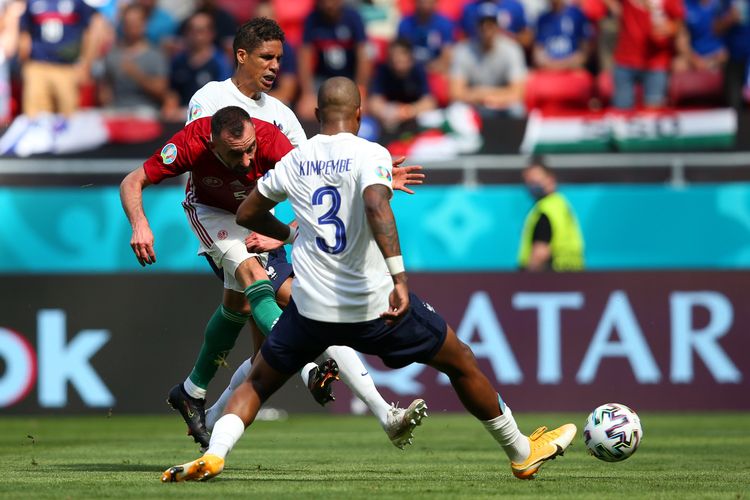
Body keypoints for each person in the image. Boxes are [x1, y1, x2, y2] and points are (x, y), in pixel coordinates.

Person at [161, 77, 576, 483]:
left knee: (257, 383)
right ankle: (521, 452)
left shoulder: (294, 160)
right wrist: (399, 277)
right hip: (373, 305)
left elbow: (248, 213)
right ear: (358, 114)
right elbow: (376, 206)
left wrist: (287, 233)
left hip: (311, 309)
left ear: (318, 114)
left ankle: (215, 455)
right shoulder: (370, 152)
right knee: (460, 360)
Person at [169, 17, 425, 451]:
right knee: (303, 306)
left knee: (262, 349)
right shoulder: (210, 99)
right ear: (242, 55)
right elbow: (208, 160)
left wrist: (372, 175)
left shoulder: (282, 115)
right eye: (267, 57)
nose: (274, 67)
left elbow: (311, 172)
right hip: (218, 220)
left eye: (280, 59)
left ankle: (206, 412)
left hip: (259, 228)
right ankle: (362, 398)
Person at [17, 0, 100, 117]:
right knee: (35, 119)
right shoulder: (32, 2)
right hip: (38, 66)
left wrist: (86, 64)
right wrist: (25, 63)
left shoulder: (77, 3)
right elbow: (24, 31)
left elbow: (91, 29)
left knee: (69, 119)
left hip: (67, 68)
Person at [449, 2, 528, 116]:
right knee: (456, 109)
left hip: (500, 103)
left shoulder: (511, 49)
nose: (486, 28)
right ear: (476, 26)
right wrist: (481, 97)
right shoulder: (463, 51)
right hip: (474, 104)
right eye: (482, 23)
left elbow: (518, 93)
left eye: (490, 23)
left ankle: (510, 134)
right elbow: (455, 93)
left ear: (498, 26)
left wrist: (486, 95)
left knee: (517, 109)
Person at [296, 0, 370, 120]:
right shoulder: (312, 19)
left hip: (349, 78)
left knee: (362, 109)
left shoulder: (353, 17)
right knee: (306, 109)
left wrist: (361, 89)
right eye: (324, 2)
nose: (329, 5)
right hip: (322, 80)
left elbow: (364, 56)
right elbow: (304, 56)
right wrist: (307, 93)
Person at [606, 0, 685, 109]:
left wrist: (670, 28)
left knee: (653, 112)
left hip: (656, 62)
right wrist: (614, 7)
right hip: (625, 61)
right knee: (622, 112)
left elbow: (679, 23)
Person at [162, 11, 232, 122]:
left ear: (211, 33)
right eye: (191, 30)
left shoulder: (220, 62)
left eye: (200, 31)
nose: (195, 35)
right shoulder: (178, 61)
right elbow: (172, 92)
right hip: (180, 117)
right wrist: (169, 110)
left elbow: (223, 98)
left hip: (210, 117)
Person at [99, 3, 169, 115]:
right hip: (116, 110)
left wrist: (136, 75)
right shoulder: (112, 54)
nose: (132, 27)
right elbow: (105, 89)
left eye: (136, 23)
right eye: (129, 23)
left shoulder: (156, 55)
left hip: (146, 110)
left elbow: (161, 90)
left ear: (144, 24)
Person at [517, 157, 584, 272]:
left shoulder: (545, 211)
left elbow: (540, 253)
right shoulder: (561, 204)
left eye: (536, 181)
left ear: (550, 179)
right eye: (529, 182)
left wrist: (523, 280)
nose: (532, 186)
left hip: (549, 277)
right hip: (572, 274)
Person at [368, 38, 436, 132]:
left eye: (401, 59)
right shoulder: (383, 71)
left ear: (410, 59)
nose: (397, 64)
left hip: (413, 116)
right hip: (389, 118)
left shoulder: (418, 70)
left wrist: (407, 111)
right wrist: (389, 111)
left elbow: (429, 102)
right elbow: (374, 103)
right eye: (393, 59)